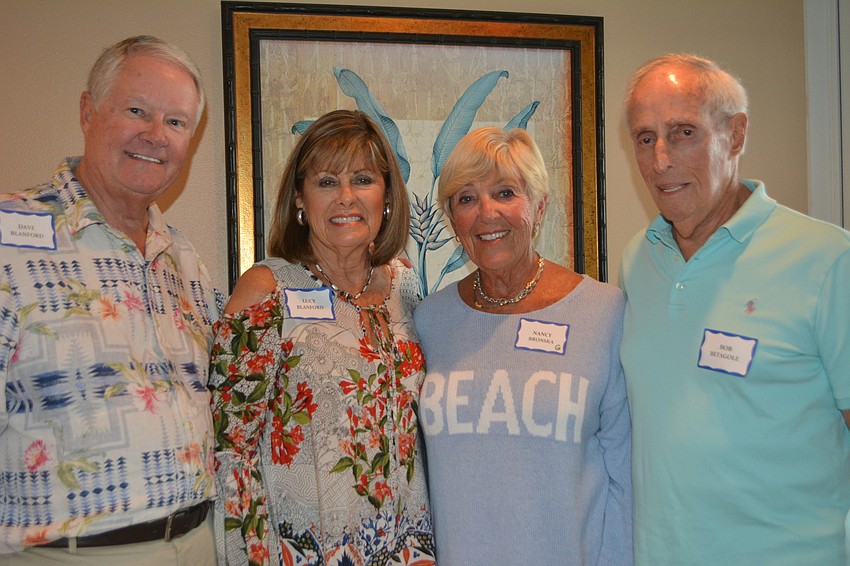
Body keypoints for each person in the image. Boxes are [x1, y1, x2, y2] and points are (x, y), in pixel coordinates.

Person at [621, 53, 850, 565]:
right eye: (645, 138)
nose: (660, 161)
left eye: (683, 132)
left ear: (736, 135)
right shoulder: (639, 260)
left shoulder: (829, 260)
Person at [0, 36, 222, 564]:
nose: (155, 134)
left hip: (196, 543)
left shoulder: (185, 260)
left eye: (176, 121)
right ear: (88, 111)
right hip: (64, 552)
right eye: (137, 110)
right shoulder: (10, 236)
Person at [208, 109, 435, 565]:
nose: (346, 198)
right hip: (303, 552)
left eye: (363, 180)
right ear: (299, 198)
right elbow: (230, 452)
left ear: (387, 196)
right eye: (327, 182)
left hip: (408, 552)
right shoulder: (266, 290)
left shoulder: (405, 288)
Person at [413, 126, 633, 565]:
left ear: (539, 205)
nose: (486, 213)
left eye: (505, 193)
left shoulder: (604, 313)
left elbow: (625, 479)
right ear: (452, 219)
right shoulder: (429, 320)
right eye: (466, 198)